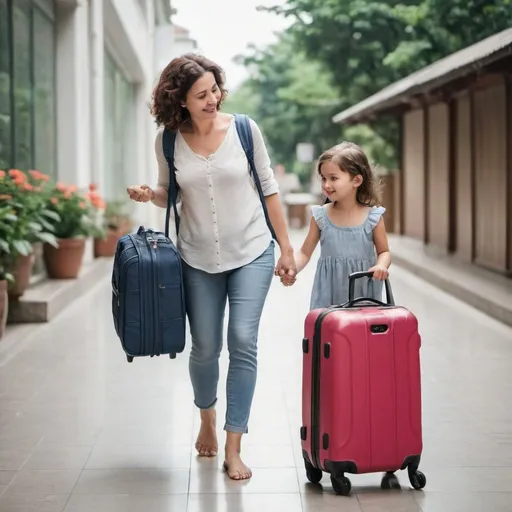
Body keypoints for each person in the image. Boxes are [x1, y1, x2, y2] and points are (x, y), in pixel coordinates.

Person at [126, 53, 296, 480]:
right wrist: (152, 195)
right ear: (179, 100)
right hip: (196, 256)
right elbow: (170, 192)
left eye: (214, 90)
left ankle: (234, 445)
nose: (212, 99)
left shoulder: (243, 129)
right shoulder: (168, 140)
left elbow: (270, 190)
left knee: (242, 339)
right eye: (201, 95)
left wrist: (287, 247)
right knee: (204, 347)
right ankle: (206, 415)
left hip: (253, 250)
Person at [281, 142, 391, 307]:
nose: (326, 185)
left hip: (363, 296)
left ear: (357, 180)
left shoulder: (373, 218)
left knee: (361, 333)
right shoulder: (320, 216)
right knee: (329, 333)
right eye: (323, 178)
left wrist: (381, 265)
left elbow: (384, 252)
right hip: (328, 298)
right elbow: (304, 252)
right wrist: (292, 268)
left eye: (333, 178)